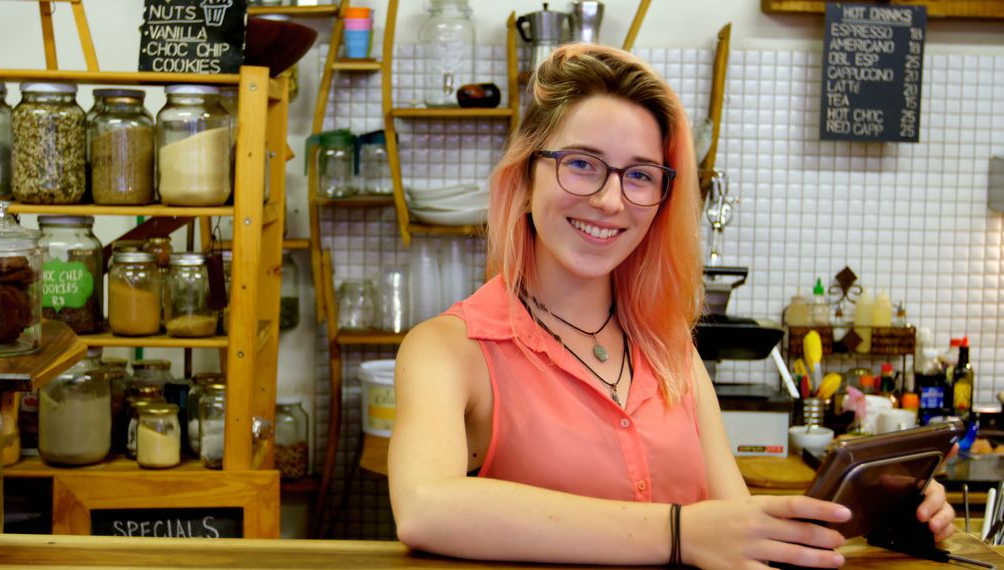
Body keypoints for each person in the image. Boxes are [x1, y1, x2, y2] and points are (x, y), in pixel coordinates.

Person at [388, 43, 954, 568]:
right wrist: (680, 532)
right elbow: (425, 507)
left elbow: (733, 526)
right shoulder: (449, 349)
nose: (610, 201)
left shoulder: (670, 350)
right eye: (581, 163)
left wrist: (872, 517)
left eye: (639, 175)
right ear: (524, 176)